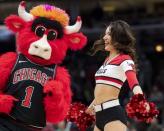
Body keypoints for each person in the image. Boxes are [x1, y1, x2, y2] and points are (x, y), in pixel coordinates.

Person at [85, 20, 148, 131]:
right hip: (99, 115)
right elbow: (103, 91)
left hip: (112, 114)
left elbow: (134, 83)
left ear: (118, 37)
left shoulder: (125, 59)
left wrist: (141, 100)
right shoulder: (106, 60)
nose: (104, 37)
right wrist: (90, 108)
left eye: (108, 34)